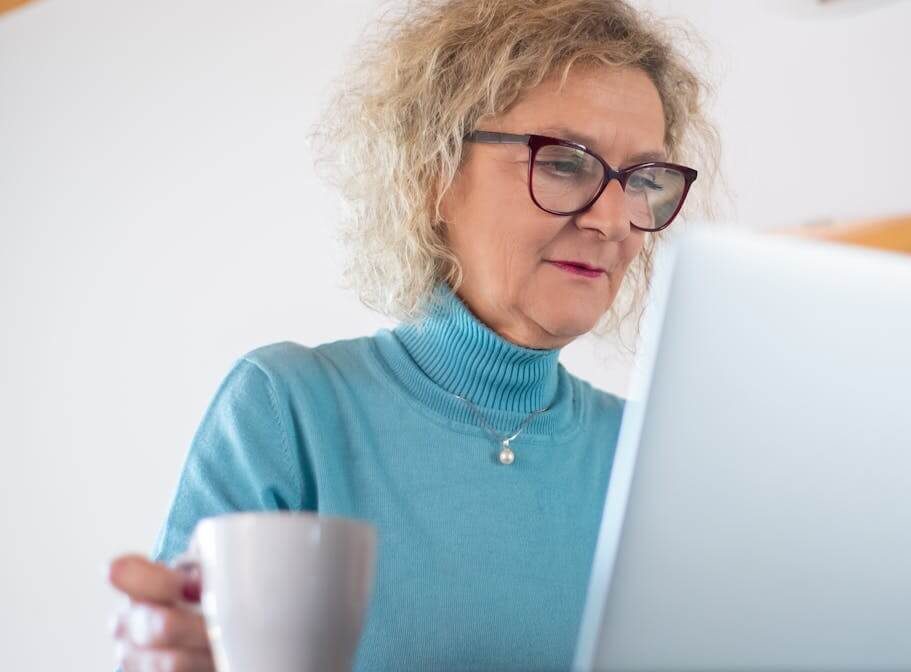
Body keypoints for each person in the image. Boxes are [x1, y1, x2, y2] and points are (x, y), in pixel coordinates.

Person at [105, 0, 717, 669]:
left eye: (641, 181)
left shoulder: (651, 461)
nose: (614, 220)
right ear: (434, 172)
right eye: (566, 163)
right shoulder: (289, 410)